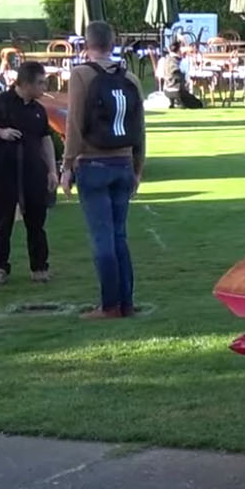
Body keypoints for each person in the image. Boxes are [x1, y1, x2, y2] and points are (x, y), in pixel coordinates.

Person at [61, 20, 146, 319]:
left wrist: (67, 165)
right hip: (123, 163)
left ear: (86, 45)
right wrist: (138, 168)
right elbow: (140, 128)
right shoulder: (131, 79)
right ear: (113, 43)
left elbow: (74, 125)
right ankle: (126, 302)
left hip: (93, 163)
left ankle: (109, 304)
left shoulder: (81, 75)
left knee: (102, 238)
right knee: (120, 236)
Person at [0, 59, 56, 287]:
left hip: (33, 172)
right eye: (41, 83)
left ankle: (39, 267)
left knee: (36, 222)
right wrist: (0, 132)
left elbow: (46, 140)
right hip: (6, 172)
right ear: (26, 84)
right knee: (3, 221)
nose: (44, 88)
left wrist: (52, 171)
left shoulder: (38, 110)